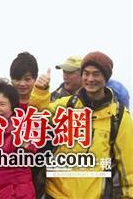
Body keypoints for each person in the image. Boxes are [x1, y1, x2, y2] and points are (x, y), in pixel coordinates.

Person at [32, 51, 133, 198]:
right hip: (55, 194)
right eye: (86, 73)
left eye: (96, 74)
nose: (90, 79)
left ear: (106, 77)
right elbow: (36, 120)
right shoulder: (66, 106)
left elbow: (129, 172)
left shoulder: (120, 118)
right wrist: (40, 93)